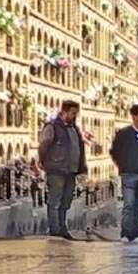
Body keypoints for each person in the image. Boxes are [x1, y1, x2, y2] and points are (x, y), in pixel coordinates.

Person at [37, 99, 88, 240]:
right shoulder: (52, 127)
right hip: (56, 170)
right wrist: (44, 162)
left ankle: (62, 227)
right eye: (72, 113)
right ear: (64, 112)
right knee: (55, 200)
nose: (74, 116)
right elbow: (43, 145)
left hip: (71, 170)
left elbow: (79, 147)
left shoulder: (74, 129)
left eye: (76, 113)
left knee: (66, 200)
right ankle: (55, 229)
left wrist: (81, 167)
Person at [110, 103, 138, 243]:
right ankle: (126, 233)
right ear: (134, 116)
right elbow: (114, 151)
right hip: (128, 174)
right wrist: (122, 165)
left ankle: (136, 234)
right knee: (129, 204)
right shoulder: (123, 134)